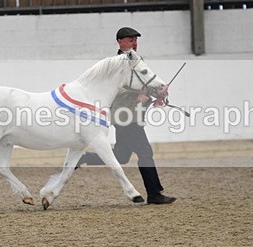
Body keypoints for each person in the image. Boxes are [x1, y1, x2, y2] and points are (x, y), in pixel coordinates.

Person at [75, 27, 177, 205]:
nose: (134, 43)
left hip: (134, 115)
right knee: (145, 152)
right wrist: (136, 96)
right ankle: (154, 194)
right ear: (120, 42)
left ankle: (83, 158)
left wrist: (157, 94)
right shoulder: (115, 65)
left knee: (122, 155)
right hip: (124, 116)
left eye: (135, 40)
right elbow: (113, 92)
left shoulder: (136, 62)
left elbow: (144, 86)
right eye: (130, 40)